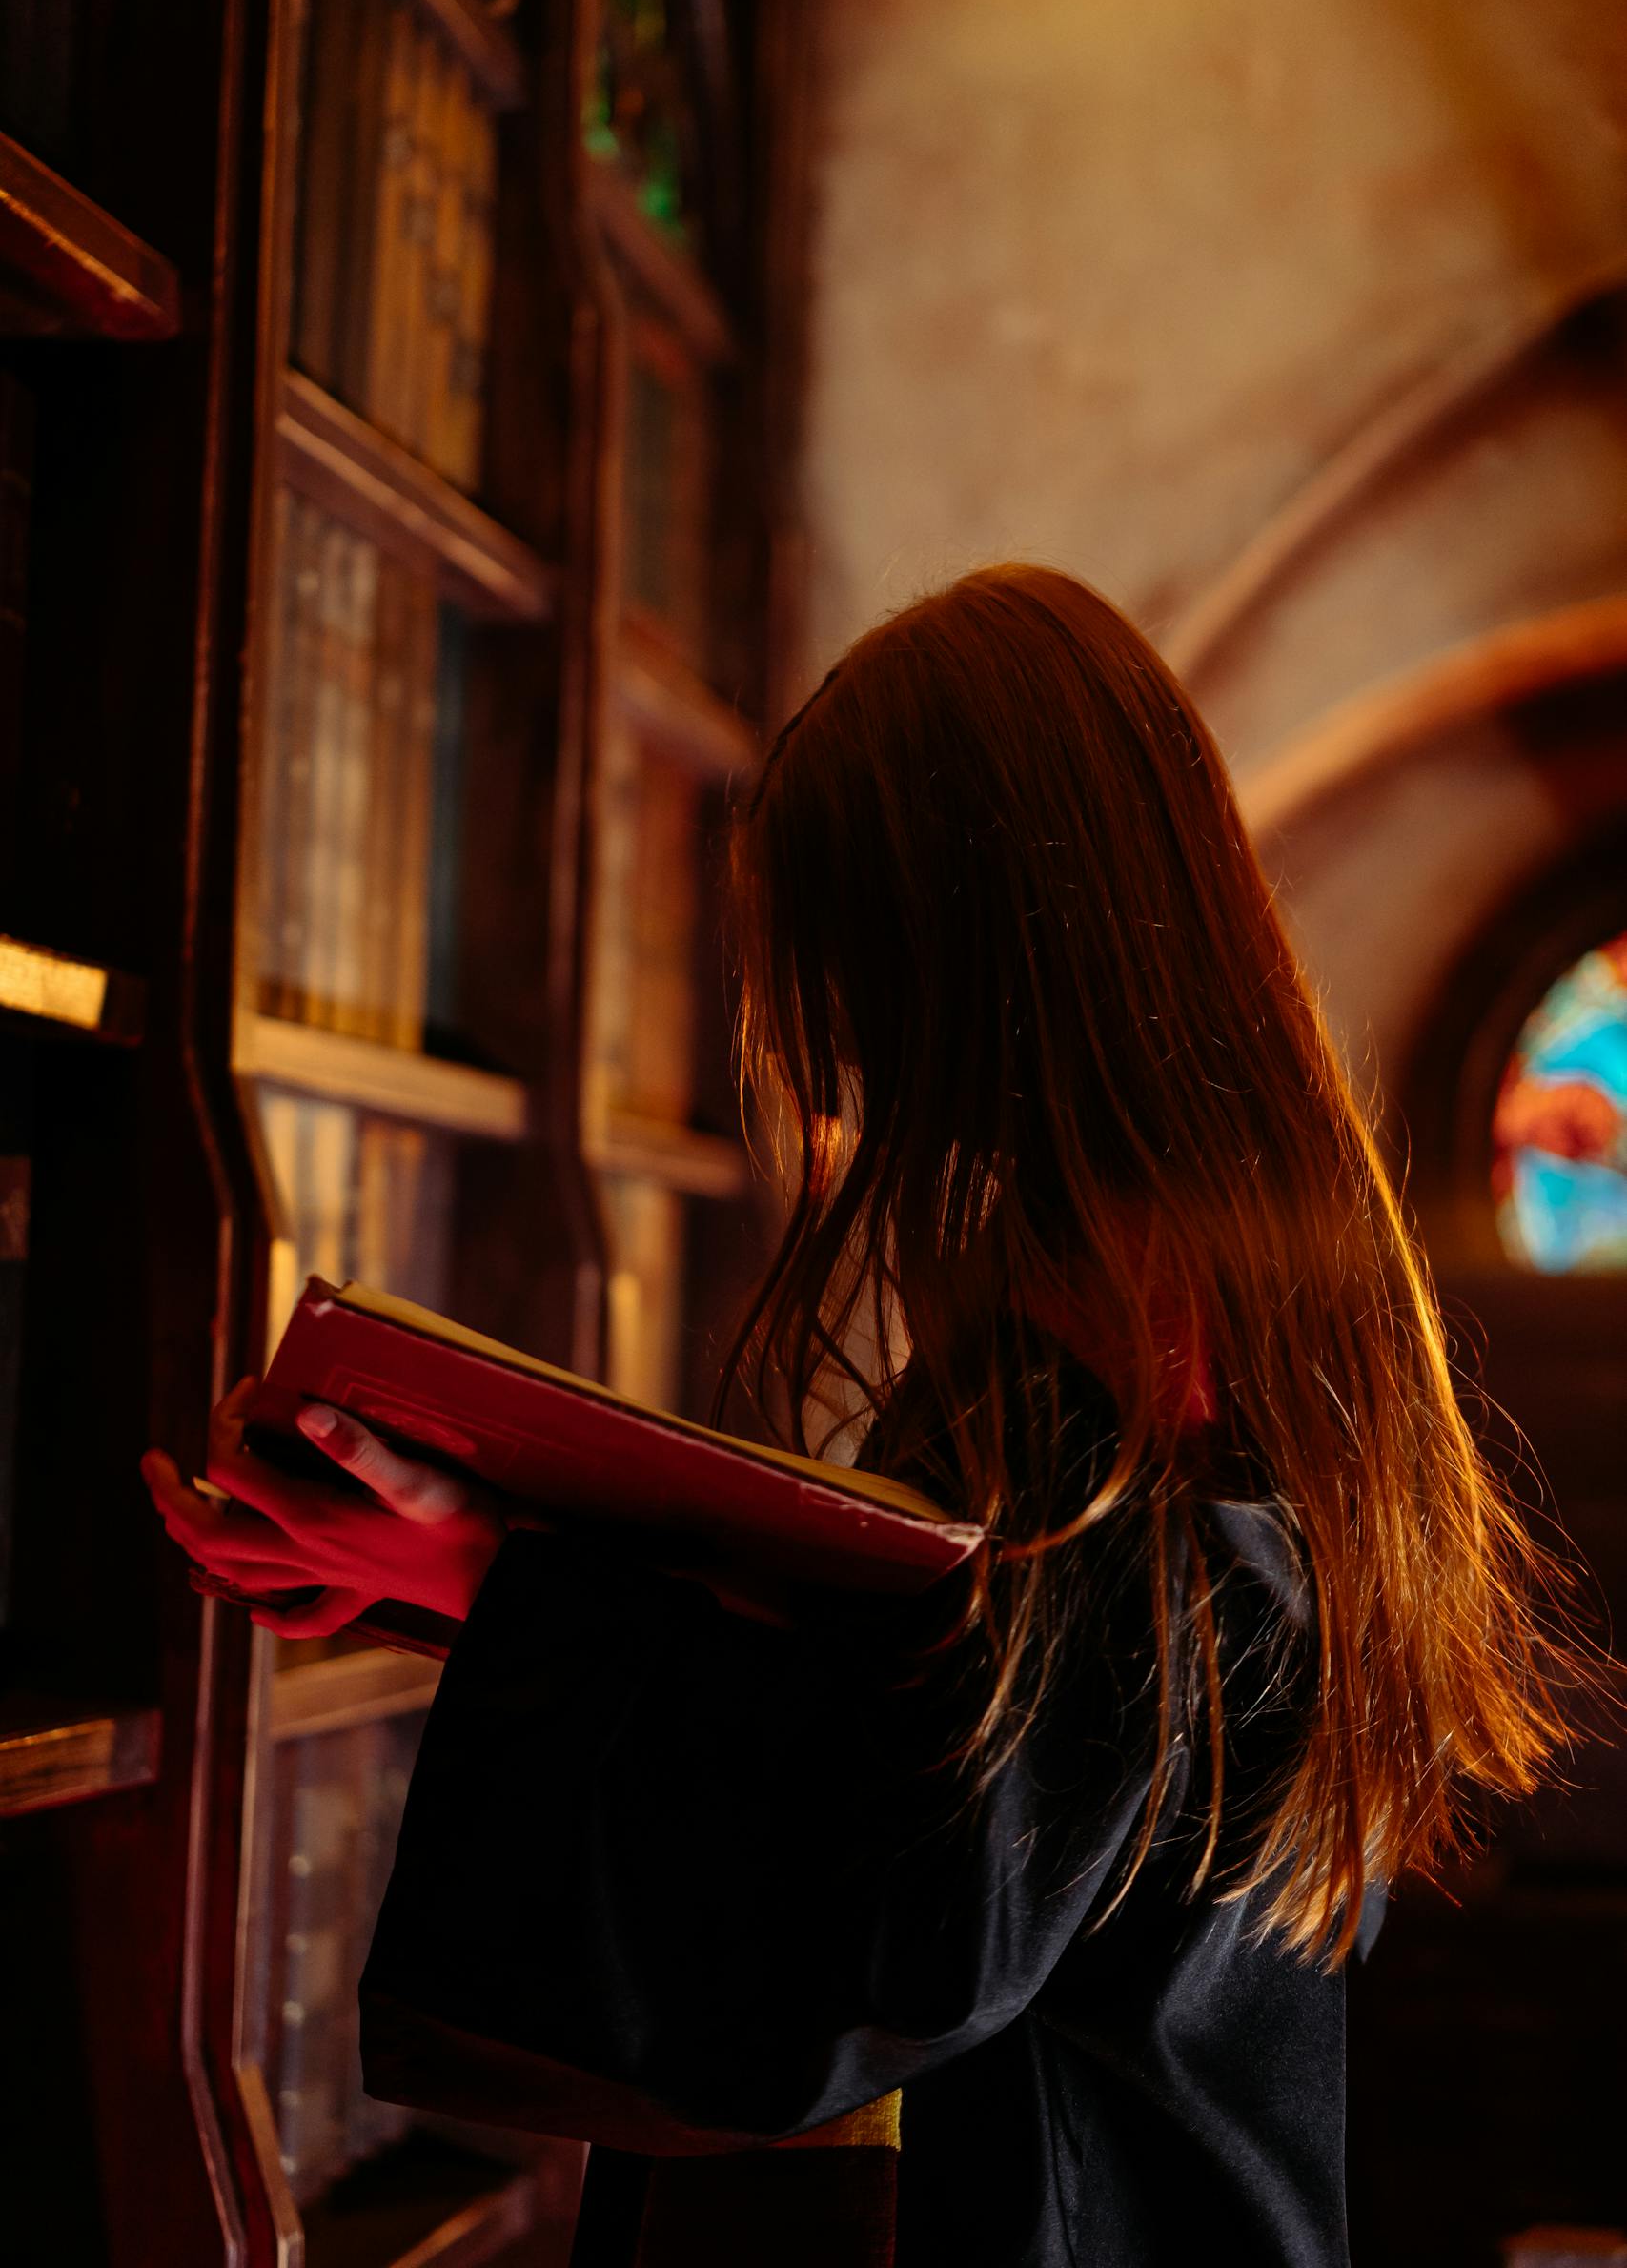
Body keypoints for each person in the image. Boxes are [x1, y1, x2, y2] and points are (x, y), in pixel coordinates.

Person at [143, 565, 1580, 2266]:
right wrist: (485, 1572)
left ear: (968, 958)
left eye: (852, 971)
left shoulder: (1119, 1389)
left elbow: (894, 1931)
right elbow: (934, 1770)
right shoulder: (1243, 1327)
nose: (844, 1063)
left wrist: (517, 1589)